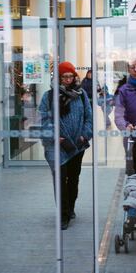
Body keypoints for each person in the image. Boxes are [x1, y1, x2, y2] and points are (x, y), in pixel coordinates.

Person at [39, 61, 93, 230]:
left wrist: (84, 135)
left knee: (73, 179)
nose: (68, 79)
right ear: (58, 78)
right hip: (58, 146)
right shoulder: (49, 96)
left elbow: (89, 117)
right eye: (64, 77)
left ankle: (70, 208)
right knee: (60, 180)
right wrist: (57, 138)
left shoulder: (82, 95)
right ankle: (63, 215)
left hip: (77, 145)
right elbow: (44, 120)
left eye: (71, 76)